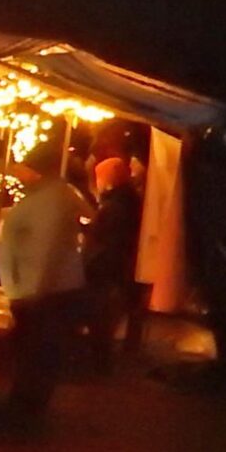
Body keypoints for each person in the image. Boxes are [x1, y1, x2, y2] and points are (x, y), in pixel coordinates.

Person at [0, 139, 88, 427]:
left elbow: (43, 250)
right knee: (39, 353)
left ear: (35, 170)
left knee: (37, 353)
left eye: (22, 167)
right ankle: (26, 408)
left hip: (44, 293)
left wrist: (29, 293)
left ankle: (24, 413)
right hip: (48, 289)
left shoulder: (50, 199)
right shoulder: (55, 195)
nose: (17, 172)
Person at [83, 155, 145, 368]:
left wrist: (89, 260)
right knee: (104, 315)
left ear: (108, 180)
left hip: (106, 269)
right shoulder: (128, 202)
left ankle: (100, 361)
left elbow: (106, 240)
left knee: (100, 315)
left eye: (99, 178)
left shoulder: (114, 207)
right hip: (117, 267)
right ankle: (101, 358)